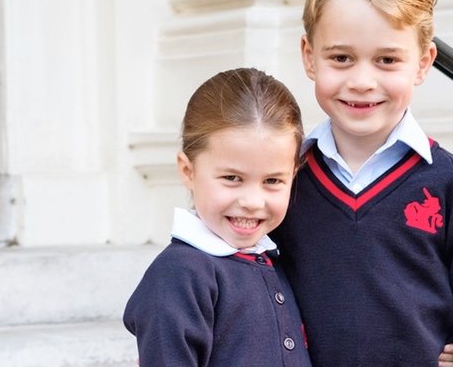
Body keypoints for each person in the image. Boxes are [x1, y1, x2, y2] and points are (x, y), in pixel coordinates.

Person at [270, 0, 453, 366]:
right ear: (310, 57)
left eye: (387, 60)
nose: (362, 82)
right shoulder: (284, 181)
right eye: (341, 58)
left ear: (422, 63)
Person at [123, 68, 312, 367]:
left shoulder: (273, 257)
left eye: (273, 181)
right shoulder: (180, 275)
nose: (252, 202)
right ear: (188, 171)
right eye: (232, 177)